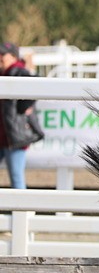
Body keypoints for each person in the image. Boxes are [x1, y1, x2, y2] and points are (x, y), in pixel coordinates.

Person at [0, 42, 40, 189]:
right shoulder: (7, 72)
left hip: (13, 135)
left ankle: (21, 211)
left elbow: (35, 88)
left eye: (3, 54)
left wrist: (24, 108)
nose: (0, 57)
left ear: (12, 56)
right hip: (6, 135)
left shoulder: (18, 71)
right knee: (16, 176)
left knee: (16, 177)